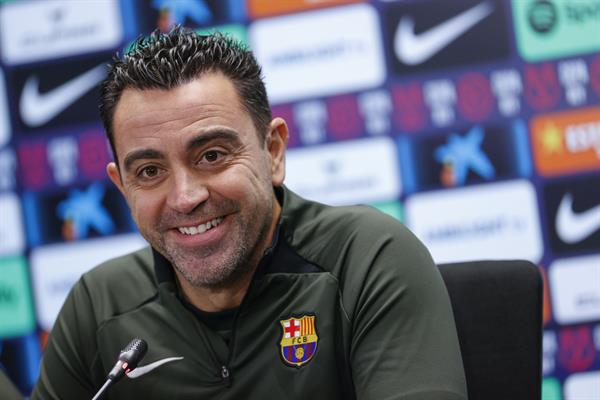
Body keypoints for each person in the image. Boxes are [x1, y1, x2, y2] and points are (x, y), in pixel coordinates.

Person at [32, 27, 467, 399]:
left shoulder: (367, 258)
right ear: (122, 186)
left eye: (212, 155)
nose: (185, 198)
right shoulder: (98, 305)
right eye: (149, 171)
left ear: (272, 151)